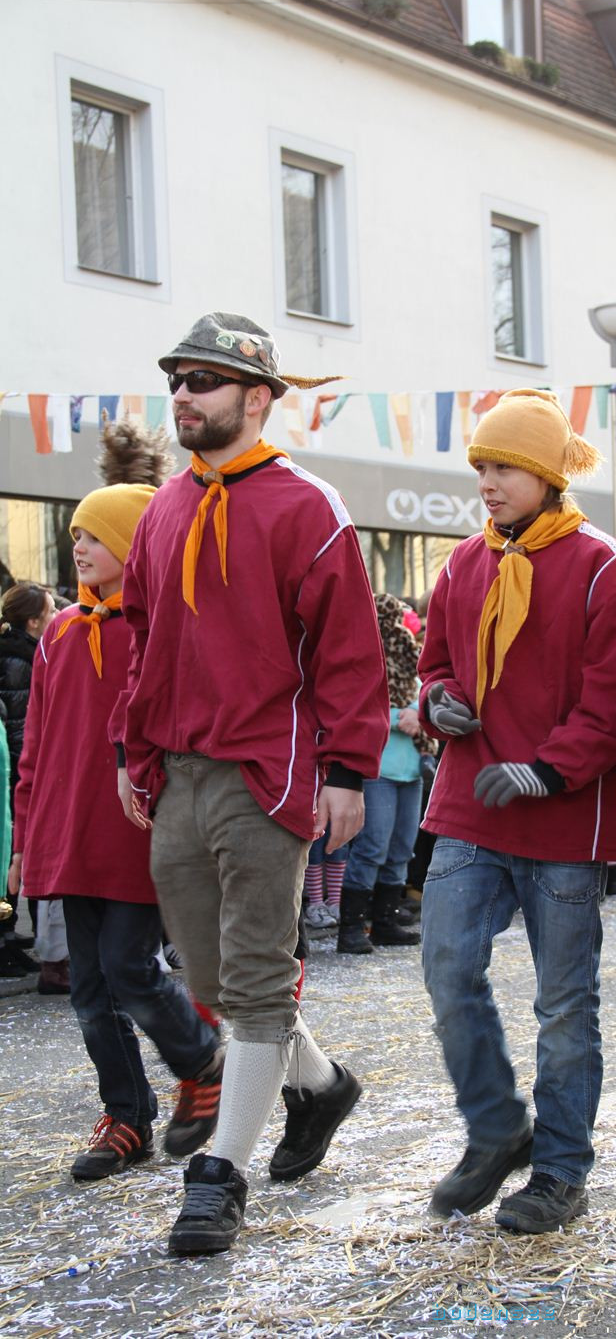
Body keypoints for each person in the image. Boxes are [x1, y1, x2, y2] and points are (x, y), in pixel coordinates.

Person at [113, 312, 389, 1253]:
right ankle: (319, 1085)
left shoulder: (308, 507)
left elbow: (349, 655)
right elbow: (143, 646)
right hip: (177, 774)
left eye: (205, 380)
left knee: (259, 977)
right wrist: (131, 752)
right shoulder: (161, 508)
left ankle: (218, 1176)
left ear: (258, 398)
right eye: (177, 379)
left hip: (268, 775)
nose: (183, 395)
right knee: (211, 978)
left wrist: (348, 771)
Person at [418, 389, 616, 1233]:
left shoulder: (601, 564)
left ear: (547, 475)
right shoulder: (463, 562)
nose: (487, 481)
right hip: (471, 804)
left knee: (564, 1005)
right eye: (480, 466)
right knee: (446, 968)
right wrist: (437, 699)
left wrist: (548, 770)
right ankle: (495, 1126)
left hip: (561, 820)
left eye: (503, 466)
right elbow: (435, 662)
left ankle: (558, 1171)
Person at [13, 426, 224, 1180]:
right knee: (89, 994)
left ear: (135, 545)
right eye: (73, 535)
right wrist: (25, 840)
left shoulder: (158, 629)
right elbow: (36, 743)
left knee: (130, 970)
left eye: (95, 535)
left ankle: (203, 1060)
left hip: (136, 834)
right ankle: (125, 1117)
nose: (79, 546)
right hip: (69, 839)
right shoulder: (59, 633)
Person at [337, 592, 435, 954]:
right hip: (377, 771)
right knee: (372, 848)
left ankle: (384, 922)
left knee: (401, 849)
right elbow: (357, 712)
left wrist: (420, 720)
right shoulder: (363, 668)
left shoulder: (411, 666)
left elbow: (425, 704)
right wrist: (400, 719)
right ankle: (350, 928)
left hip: (409, 773)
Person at [0, 582, 57, 977]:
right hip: (17, 761)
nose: (56, 618)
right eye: (51, 612)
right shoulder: (22, 656)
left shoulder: (24, 651)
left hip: (16, 759)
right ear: (34, 621)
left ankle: (9, 937)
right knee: (12, 852)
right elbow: (21, 719)